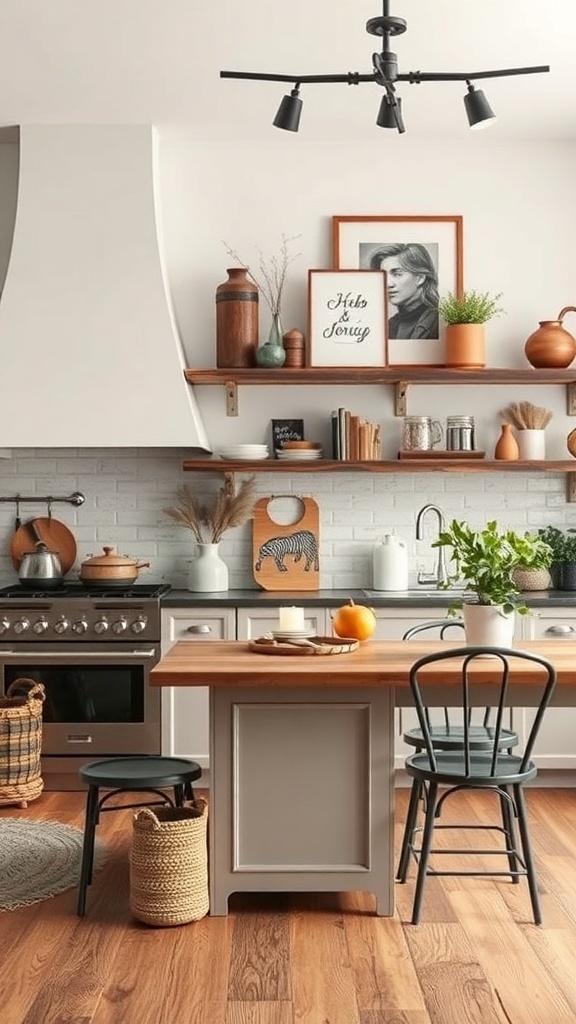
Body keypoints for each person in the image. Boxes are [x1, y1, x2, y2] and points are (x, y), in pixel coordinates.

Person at [369, 242, 439, 340]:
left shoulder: (438, 321)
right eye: (383, 275)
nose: (387, 283)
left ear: (420, 278)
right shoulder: (391, 325)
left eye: (397, 274)